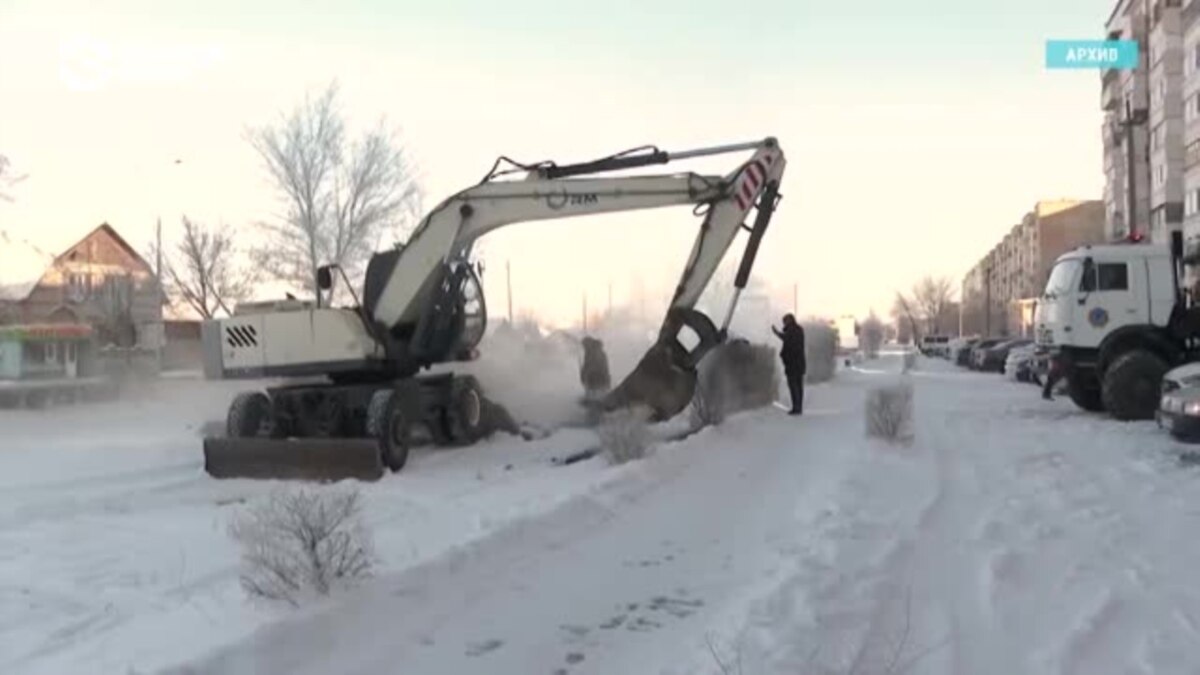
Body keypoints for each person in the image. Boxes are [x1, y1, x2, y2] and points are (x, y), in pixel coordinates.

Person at [772, 313, 806, 415]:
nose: (784, 323)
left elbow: (787, 341)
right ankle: (798, 406)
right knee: (799, 385)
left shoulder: (791, 331)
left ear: (789, 321)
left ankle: (796, 407)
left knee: (793, 385)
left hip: (792, 362)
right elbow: (787, 338)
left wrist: (784, 355)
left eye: (785, 321)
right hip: (799, 362)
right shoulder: (798, 330)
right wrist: (777, 333)